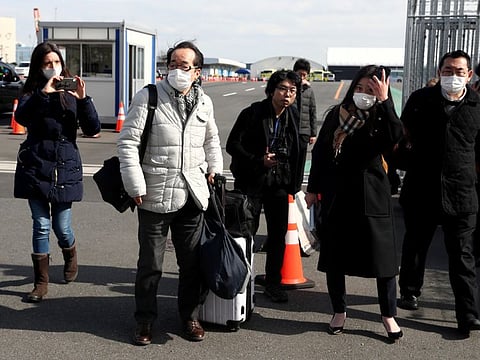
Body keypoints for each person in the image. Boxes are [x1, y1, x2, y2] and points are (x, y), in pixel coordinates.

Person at [117, 41, 223, 345]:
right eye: (172, 65)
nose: (176, 71)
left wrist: (215, 167)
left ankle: (189, 316)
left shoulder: (204, 101)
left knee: (191, 263)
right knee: (150, 263)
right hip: (154, 193)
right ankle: (145, 321)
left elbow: (212, 139)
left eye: (184, 66)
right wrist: (135, 184)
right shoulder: (149, 96)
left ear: (197, 72)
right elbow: (127, 142)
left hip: (192, 194)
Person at [305, 65, 404, 341]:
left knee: (384, 261)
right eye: (359, 88)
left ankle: (388, 315)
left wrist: (384, 102)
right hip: (338, 194)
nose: (363, 94)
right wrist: (313, 189)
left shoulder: (381, 116)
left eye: (370, 90)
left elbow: (396, 137)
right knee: (336, 257)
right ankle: (339, 311)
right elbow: (322, 153)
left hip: (373, 194)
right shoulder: (338, 116)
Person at [397, 50, 480, 336]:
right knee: (416, 245)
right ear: (440, 71)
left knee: (462, 256)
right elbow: (403, 136)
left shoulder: (477, 105)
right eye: (448, 70)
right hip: (422, 191)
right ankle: (409, 290)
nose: (453, 76)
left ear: (469, 75)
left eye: (459, 71)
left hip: (461, 195)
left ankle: (467, 314)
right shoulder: (421, 100)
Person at [13, 41, 100, 303]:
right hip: (35, 166)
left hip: (65, 167)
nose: (53, 68)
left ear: (63, 64)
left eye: (57, 63)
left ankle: (70, 253)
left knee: (62, 227)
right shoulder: (32, 93)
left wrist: (84, 100)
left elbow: (93, 127)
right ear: (39, 67)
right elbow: (22, 119)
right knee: (40, 225)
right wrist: (43, 93)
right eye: (47, 64)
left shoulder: (71, 93)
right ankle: (41, 282)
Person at [226, 70, 303, 303]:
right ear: (271, 91)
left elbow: (298, 151)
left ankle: (273, 283)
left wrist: (294, 185)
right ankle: (240, 279)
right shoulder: (252, 113)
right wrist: (258, 160)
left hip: (279, 183)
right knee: (245, 233)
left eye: (292, 90)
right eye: (282, 89)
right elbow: (232, 145)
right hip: (252, 180)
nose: (287, 95)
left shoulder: (293, 116)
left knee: (278, 235)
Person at [293, 58, 317, 180]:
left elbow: (313, 111)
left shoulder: (309, 90)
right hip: (290, 131)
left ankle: (297, 187)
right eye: (299, 74)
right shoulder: (290, 88)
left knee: (301, 161)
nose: (302, 77)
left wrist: (313, 133)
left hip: (304, 132)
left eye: (304, 74)